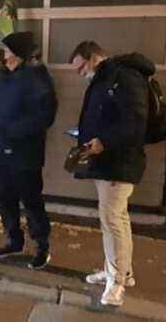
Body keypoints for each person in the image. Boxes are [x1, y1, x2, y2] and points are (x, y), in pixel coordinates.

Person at [69, 41, 152, 307]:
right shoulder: (108, 77)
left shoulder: (124, 77)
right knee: (116, 219)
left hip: (119, 162)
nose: (81, 74)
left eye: (82, 67)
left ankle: (115, 284)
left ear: (93, 57)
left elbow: (135, 123)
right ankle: (119, 272)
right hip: (108, 162)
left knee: (113, 221)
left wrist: (103, 141)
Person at [0, 31, 57, 270]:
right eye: (4, 52)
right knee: (4, 198)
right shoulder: (3, 75)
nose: (4, 56)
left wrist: (13, 131)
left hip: (24, 153)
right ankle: (14, 240)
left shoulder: (38, 78)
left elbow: (45, 116)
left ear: (21, 55)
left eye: (9, 52)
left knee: (31, 200)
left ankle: (42, 246)